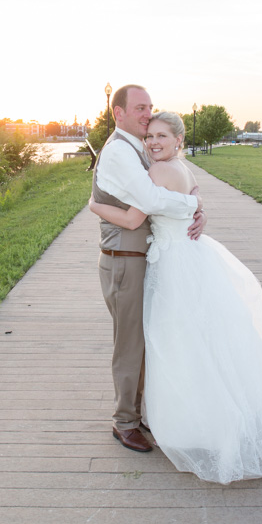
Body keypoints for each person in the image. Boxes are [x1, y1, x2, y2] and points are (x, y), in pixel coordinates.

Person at [90, 112, 262, 484]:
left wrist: (94, 205)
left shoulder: (158, 172)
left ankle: (189, 424)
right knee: (202, 342)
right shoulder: (185, 169)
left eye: (162, 136)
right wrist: (199, 209)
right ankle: (211, 416)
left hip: (171, 265)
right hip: (191, 259)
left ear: (179, 139)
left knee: (177, 343)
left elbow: (133, 219)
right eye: (150, 136)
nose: (153, 143)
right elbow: (193, 199)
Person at [92, 85, 205, 453]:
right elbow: (150, 201)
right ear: (118, 113)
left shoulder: (137, 148)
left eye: (150, 108)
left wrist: (197, 206)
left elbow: (174, 185)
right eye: (140, 108)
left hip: (143, 258)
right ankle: (124, 422)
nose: (146, 114)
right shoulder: (119, 153)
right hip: (124, 260)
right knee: (130, 345)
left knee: (144, 342)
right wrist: (190, 203)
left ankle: (138, 414)